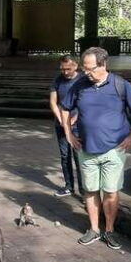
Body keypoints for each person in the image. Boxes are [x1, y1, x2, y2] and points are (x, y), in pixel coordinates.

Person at [61, 47, 131, 250]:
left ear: (103, 65)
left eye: (91, 69)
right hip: (86, 149)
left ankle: (109, 230)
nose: (86, 73)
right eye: (84, 68)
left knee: (110, 192)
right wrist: (68, 133)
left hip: (114, 149)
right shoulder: (79, 85)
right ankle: (94, 228)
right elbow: (65, 108)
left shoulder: (120, 85)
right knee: (90, 190)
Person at [49, 55, 83, 197]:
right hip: (61, 124)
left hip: (78, 125)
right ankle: (69, 186)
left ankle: (84, 190)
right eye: (62, 69)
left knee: (79, 157)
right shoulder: (58, 80)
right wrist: (61, 120)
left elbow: (87, 102)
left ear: (75, 66)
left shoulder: (82, 80)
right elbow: (53, 102)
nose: (65, 72)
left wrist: (75, 118)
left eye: (68, 69)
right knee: (65, 156)